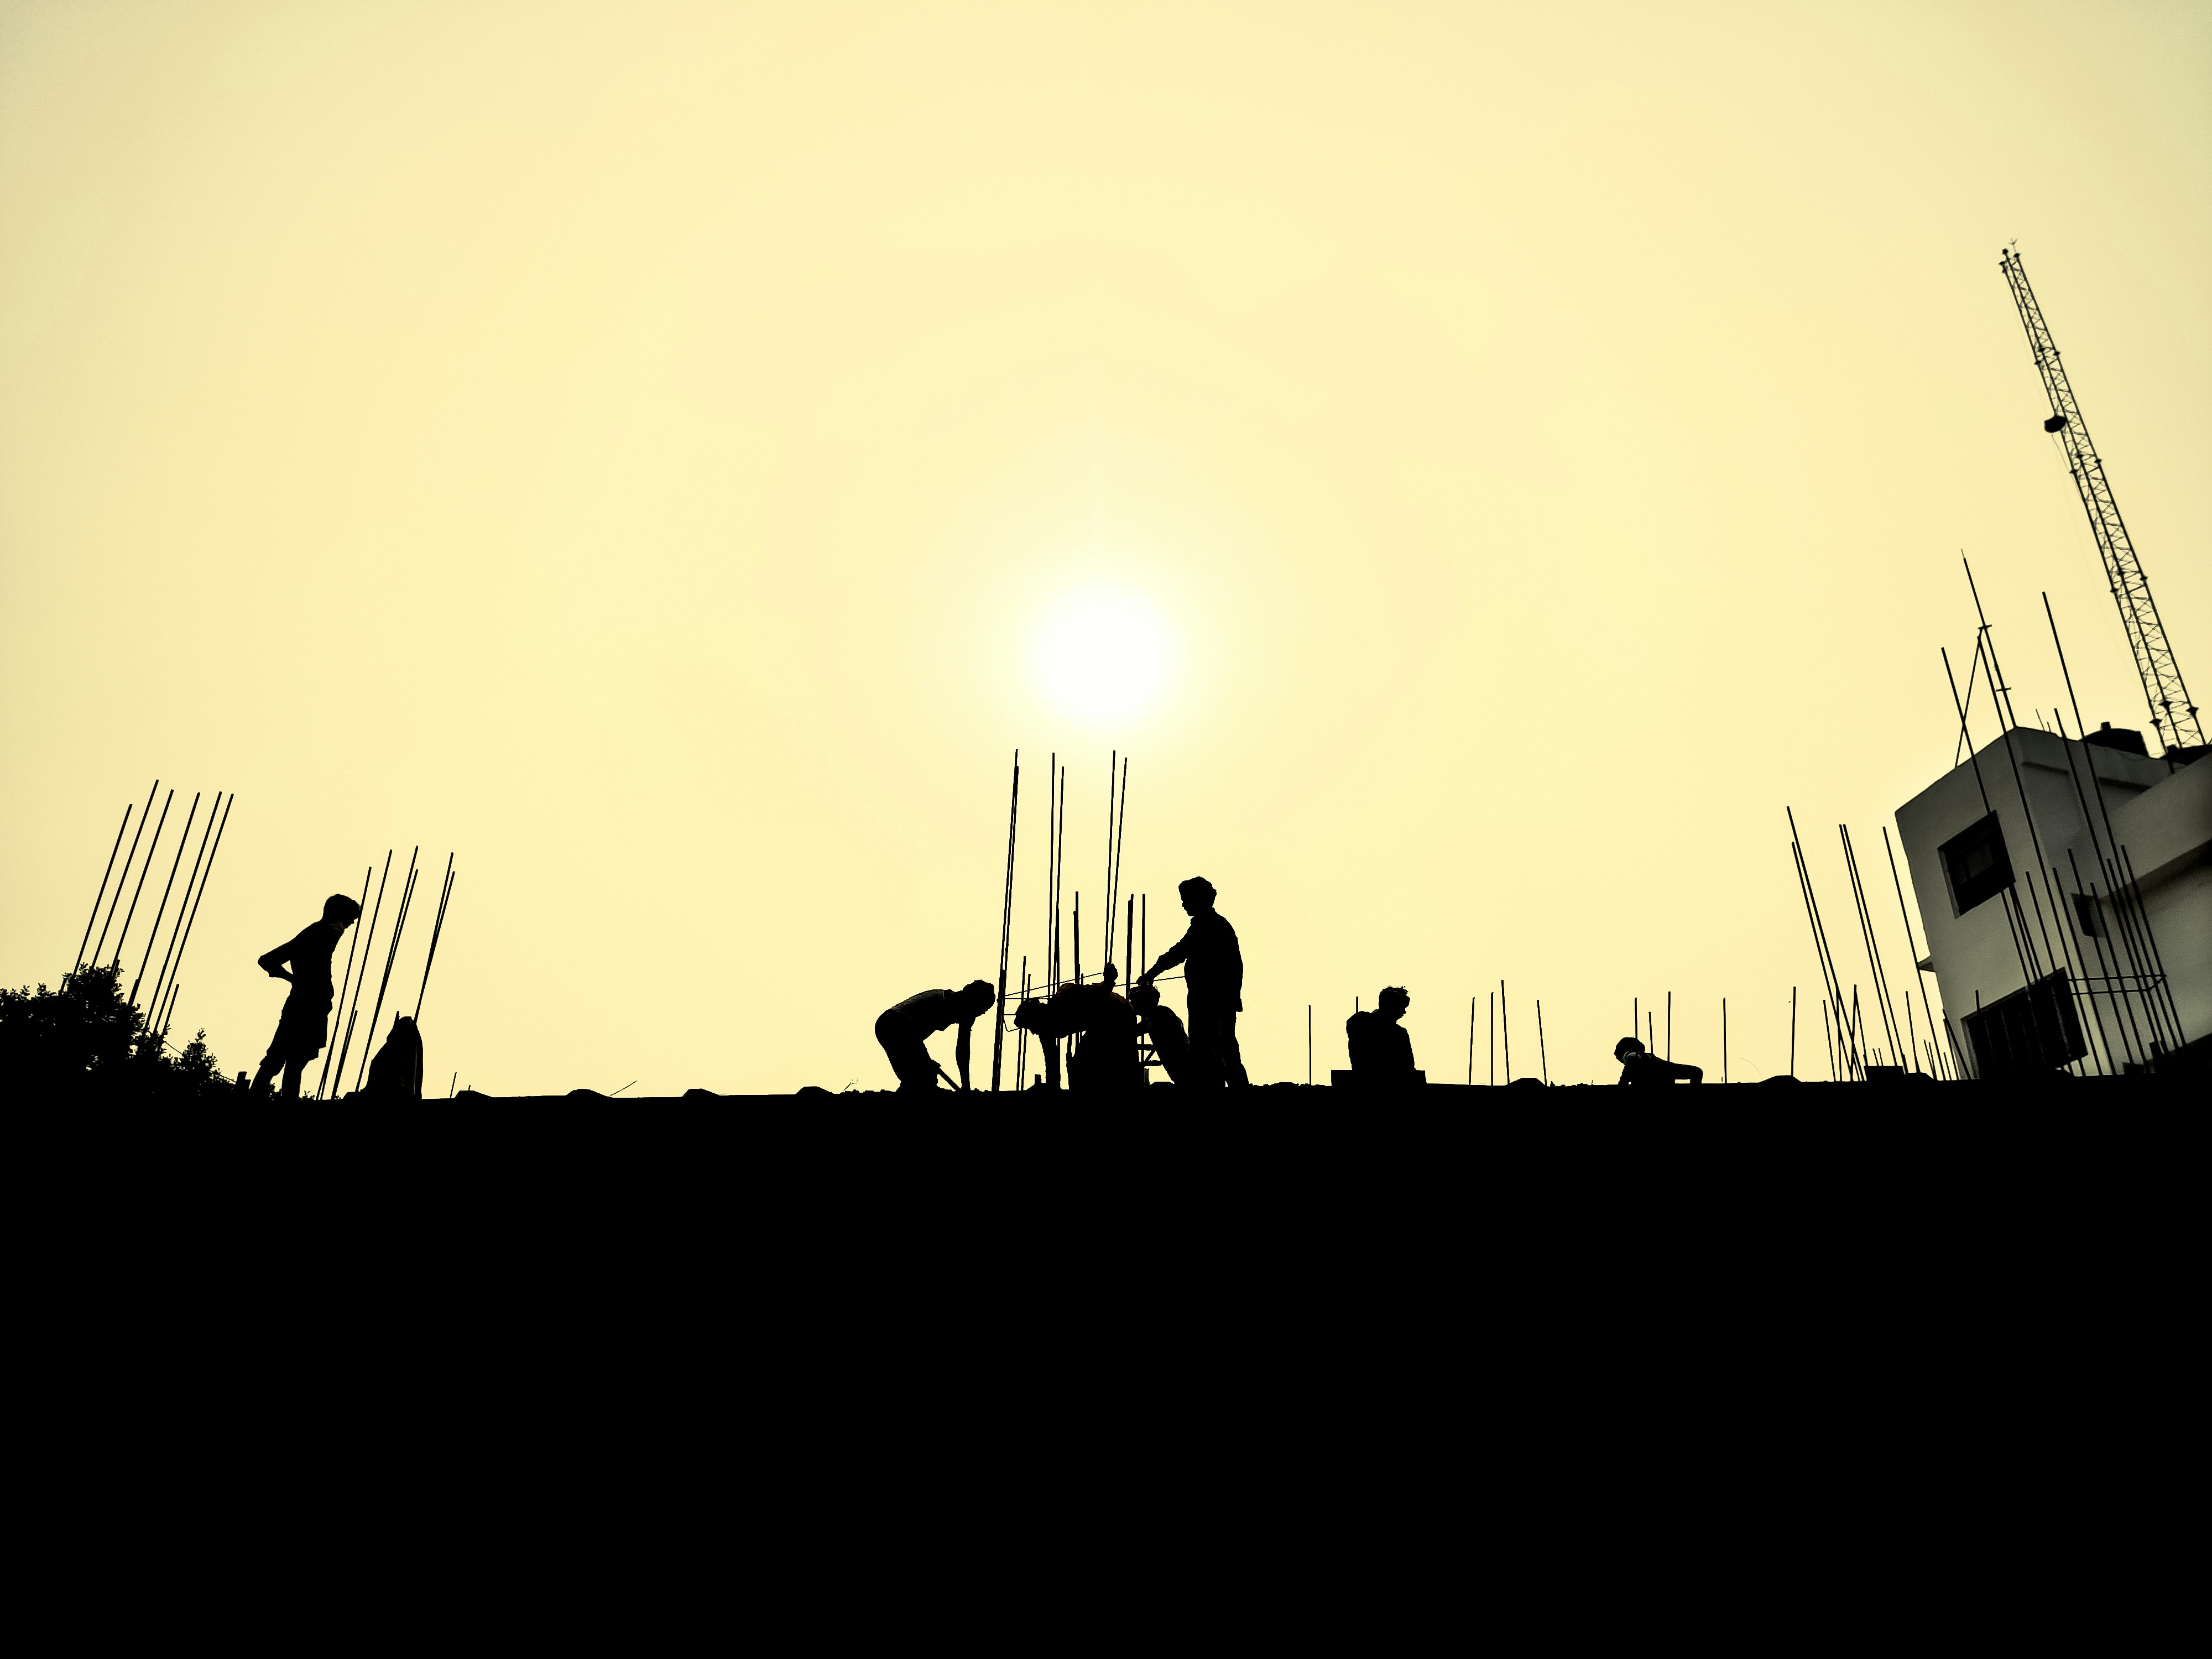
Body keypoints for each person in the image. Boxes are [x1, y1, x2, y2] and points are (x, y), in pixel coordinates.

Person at [251, 892, 363, 1099]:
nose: (351, 924)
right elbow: (267, 960)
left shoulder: (312, 934)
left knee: (289, 1060)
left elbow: (268, 960)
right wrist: (295, 979)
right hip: (307, 1006)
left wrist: (293, 979)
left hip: (311, 1004)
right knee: (285, 1060)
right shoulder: (323, 932)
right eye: (350, 918)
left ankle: (263, 1099)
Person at [1138, 877, 1247, 1087]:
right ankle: (1237, 1087)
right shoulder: (1219, 925)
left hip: (1208, 999)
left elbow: (1177, 953)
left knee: (1206, 1046)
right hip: (1225, 998)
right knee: (1226, 1046)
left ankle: (1211, 1088)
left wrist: (1151, 974)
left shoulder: (1206, 926)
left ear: (1199, 900)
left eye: (1186, 899)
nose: (1183, 904)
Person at [1014, 967, 1142, 1091]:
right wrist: (1052, 1089)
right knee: (1081, 1063)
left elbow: (1100, 992)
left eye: (1031, 1026)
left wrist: (1109, 979)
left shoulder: (1066, 995)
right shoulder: (1045, 1031)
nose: (1033, 1032)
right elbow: (1052, 1062)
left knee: (1085, 1062)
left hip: (1118, 1012)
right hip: (1099, 1023)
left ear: (1038, 1016)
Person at [875, 980, 995, 1093]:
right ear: (969, 996)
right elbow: (912, 1036)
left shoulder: (968, 1013)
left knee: (915, 1080)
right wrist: (924, 1061)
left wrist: (966, 1087)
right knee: (923, 1078)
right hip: (893, 1023)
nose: (981, 1013)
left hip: (898, 1029)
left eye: (984, 1010)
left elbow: (962, 1050)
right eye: (981, 1007)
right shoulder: (944, 1001)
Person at [1129, 980, 1218, 1089]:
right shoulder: (1155, 1018)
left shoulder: (1160, 1015)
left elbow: (1133, 1033)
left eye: (1134, 1002)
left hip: (1186, 1069)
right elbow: (1132, 1032)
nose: (1132, 1005)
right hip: (1184, 1069)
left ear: (1143, 1002)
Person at [1346, 987, 1418, 1082]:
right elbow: (1408, 1067)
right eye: (1402, 1007)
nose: (1404, 1012)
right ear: (1391, 1007)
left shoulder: (1360, 1021)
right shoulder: (1400, 1034)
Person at [1615, 1036, 1703, 1086]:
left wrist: (1623, 1084)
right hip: (1663, 1075)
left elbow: (1631, 1064)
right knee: (1697, 1072)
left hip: (1662, 1073)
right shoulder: (1640, 1058)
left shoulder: (1632, 1056)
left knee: (1697, 1072)